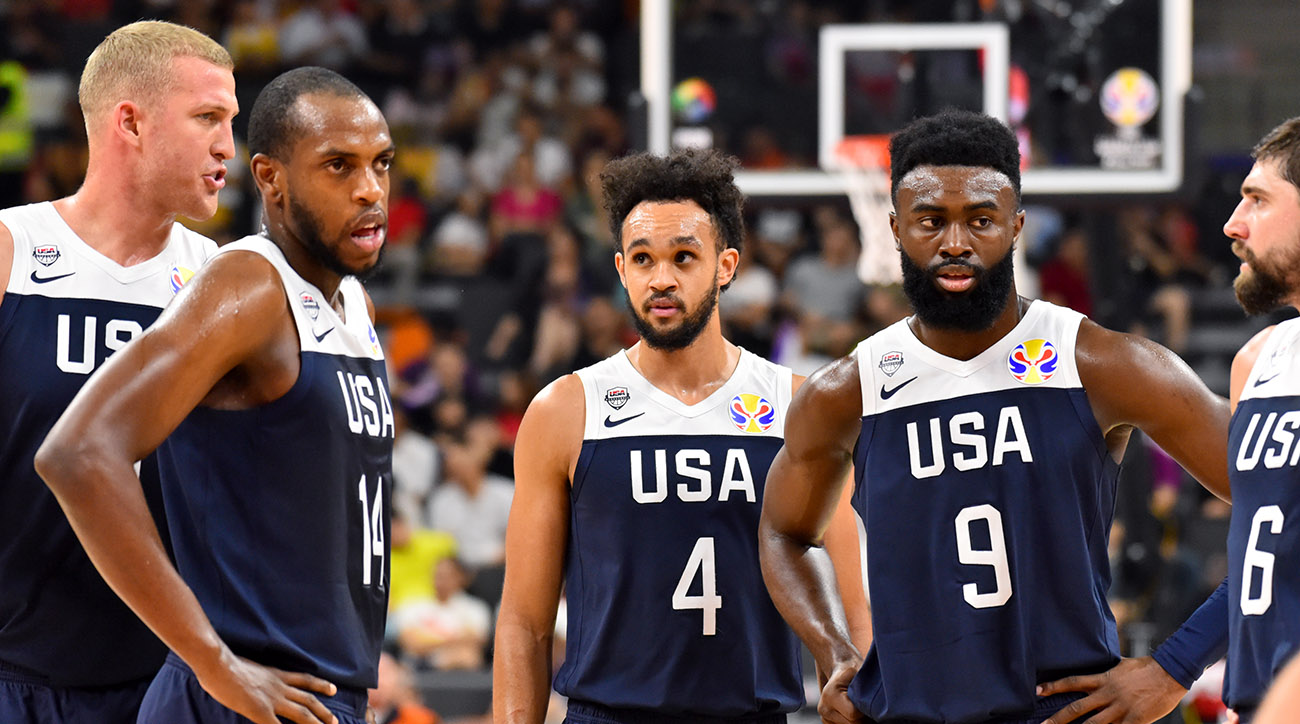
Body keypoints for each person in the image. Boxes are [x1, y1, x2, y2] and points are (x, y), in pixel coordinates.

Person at [757, 109, 1233, 724]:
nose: (955, 243)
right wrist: (833, 649)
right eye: (931, 221)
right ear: (895, 229)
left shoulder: (1103, 364)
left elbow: (1280, 505)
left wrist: (1175, 668)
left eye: (980, 220)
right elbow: (782, 532)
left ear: (1016, 227)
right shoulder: (846, 391)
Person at [35, 66, 394, 724]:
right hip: (237, 696)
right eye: (339, 166)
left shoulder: (354, 306)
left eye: (382, 163)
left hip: (320, 691)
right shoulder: (248, 287)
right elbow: (78, 453)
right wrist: (212, 661)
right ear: (271, 179)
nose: (370, 189)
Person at [493, 149, 869, 724]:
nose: (661, 279)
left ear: (726, 265)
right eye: (642, 259)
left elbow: (848, 605)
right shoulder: (566, 410)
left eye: (684, 257)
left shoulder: (797, 405)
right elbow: (525, 621)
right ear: (621, 270)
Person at [0, 20, 234, 724]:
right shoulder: (13, 250)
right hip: (14, 670)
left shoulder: (224, 282)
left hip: (169, 676)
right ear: (129, 122)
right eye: (207, 118)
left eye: (231, 121)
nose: (228, 145)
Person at [1221, 115, 1300, 723]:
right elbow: (1256, 553)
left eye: (1257, 200)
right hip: (1251, 696)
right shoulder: (1258, 358)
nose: (1232, 224)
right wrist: (1170, 666)